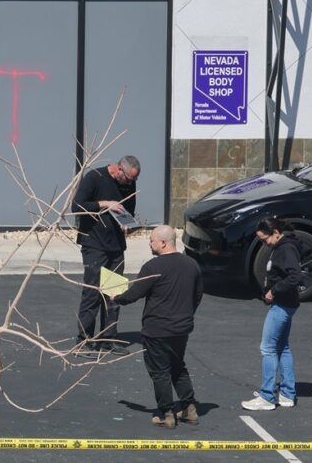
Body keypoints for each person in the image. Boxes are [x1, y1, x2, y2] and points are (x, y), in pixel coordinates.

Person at [113, 225, 203, 429]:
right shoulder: (192, 264)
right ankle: (189, 408)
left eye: (152, 240)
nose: (149, 243)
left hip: (157, 329)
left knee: (159, 371)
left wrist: (116, 297)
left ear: (163, 243)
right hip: (182, 328)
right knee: (178, 366)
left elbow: (134, 294)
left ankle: (166, 413)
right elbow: (197, 295)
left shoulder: (153, 267)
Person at [72, 155, 140, 353]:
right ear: (118, 169)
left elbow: (130, 211)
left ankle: (109, 337)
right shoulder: (95, 177)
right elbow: (77, 207)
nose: (130, 183)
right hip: (94, 244)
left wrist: (129, 226)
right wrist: (104, 203)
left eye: (134, 180)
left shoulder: (129, 184)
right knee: (92, 292)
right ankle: (84, 340)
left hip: (116, 246)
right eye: (128, 179)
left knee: (113, 294)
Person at [242, 217, 302, 411]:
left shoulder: (286, 248)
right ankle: (287, 394)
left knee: (267, 348)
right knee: (281, 347)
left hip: (282, 305)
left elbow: (295, 276)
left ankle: (267, 396)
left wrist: (274, 291)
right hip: (285, 303)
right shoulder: (282, 246)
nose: (263, 243)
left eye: (264, 239)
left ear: (276, 233)